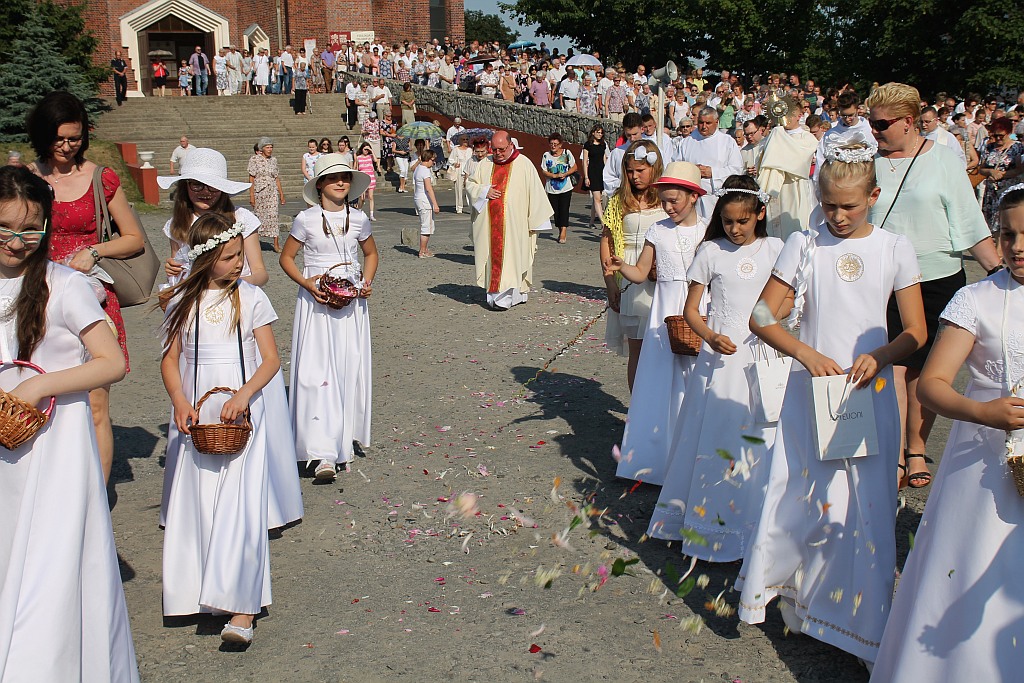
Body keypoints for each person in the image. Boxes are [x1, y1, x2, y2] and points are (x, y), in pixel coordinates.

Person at [736, 135, 927, 666]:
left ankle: (865, 623)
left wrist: (883, 355)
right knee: (804, 491)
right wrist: (805, 353)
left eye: (850, 205)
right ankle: (802, 599)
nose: (838, 216)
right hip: (812, 389)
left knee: (865, 502)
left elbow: (916, 329)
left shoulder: (894, 248)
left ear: (874, 195)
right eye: (828, 204)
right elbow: (761, 315)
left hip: (870, 391)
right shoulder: (804, 243)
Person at [871, 184, 1024, 681]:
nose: (1017, 246)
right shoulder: (976, 298)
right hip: (981, 459)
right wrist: (986, 413)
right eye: (1007, 236)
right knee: (971, 562)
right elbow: (932, 387)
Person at [0, 166, 137, 680]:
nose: (18, 241)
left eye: (30, 229)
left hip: (55, 444)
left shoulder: (65, 284)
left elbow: (111, 362)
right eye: (6, 229)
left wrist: (38, 385)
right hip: (3, 449)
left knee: (51, 567)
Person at [866, 82, 1002, 488]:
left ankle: (917, 449)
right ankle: (893, 452)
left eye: (882, 124)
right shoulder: (868, 163)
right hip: (885, 280)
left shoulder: (943, 160)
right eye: (872, 124)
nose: (874, 132)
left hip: (938, 277)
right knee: (893, 367)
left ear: (909, 122)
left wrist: (999, 271)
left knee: (924, 373)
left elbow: (968, 221)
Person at [159, 213, 282, 645]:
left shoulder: (250, 298)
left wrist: (245, 394)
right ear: (206, 258)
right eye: (230, 257)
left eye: (238, 256)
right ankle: (202, 591)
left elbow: (270, 359)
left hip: (241, 408)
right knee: (200, 500)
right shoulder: (181, 301)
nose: (239, 264)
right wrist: (178, 400)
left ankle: (244, 606)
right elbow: (169, 360)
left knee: (240, 505)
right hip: (197, 410)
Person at [646, 174, 783, 556]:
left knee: (761, 435)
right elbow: (690, 310)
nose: (735, 229)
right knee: (716, 434)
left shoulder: (776, 249)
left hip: (764, 350)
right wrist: (709, 336)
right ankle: (709, 523)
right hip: (721, 357)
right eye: (727, 221)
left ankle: (757, 525)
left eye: (742, 221)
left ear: (759, 214)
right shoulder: (711, 252)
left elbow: (791, 299)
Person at [27, 90, 145, 485]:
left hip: (91, 299)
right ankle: (44, 487)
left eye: (74, 138)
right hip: (37, 297)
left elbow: (134, 238)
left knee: (96, 402)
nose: (66, 146)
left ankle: (95, 495)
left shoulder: (100, 178)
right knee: (38, 391)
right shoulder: (27, 179)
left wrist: (93, 251)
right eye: (58, 138)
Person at [604, 162, 710, 485]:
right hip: (664, 306)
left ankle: (693, 457)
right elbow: (641, 271)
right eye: (664, 200)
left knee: (694, 380)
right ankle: (654, 459)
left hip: (697, 303)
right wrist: (623, 266)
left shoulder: (707, 231)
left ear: (693, 196)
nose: (668, 207)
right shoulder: (657, 230)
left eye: (674, 200)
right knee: (660, 379)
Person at [280, 155, 378, 481]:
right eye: (333, 177)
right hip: (316, 301)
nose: (340, 182)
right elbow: (287, 258)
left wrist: (367, 282)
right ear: (319, 184)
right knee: (315, 370)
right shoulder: (306, 220)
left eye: (345, 177)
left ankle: (341, 436)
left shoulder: (360, 219)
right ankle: (321, 452)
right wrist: (306, 283)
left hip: (351, 304)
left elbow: (371, 254)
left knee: (347, 365)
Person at [600, 141, 668, 389]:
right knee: (637, 351)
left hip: (660, 275)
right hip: (629, 274)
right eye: (630, 171)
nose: (634, 176)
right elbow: (607, 241)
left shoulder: (666, 199)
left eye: (640, 170)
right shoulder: (619, 200)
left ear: (654, 167)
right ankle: (638, 411)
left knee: (664, 346)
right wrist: (609, 282)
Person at [466, 130, 554, 310]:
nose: (498, 153)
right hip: (489, 226)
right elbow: (470, 185)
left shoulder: (524, 164)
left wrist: (535, 222)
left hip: (516, 226)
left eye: (502, 149)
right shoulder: (485, 164)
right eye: (495, 149)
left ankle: (512, 296)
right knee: (494, 259)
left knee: (514, 258)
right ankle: (495, 297)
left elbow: (536, 193)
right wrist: (484, 191)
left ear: (511, 145)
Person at [757, 95, 819, 239]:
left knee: (795, 227)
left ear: (799, 115)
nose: (787, 118)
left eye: (791, 114)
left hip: (795, 186)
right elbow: (763, 161)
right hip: (774, 188)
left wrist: (778, 145)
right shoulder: (773, 136)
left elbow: (799, 162)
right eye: (785, 113)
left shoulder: (806, 138)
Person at [675, 107, 745, 217]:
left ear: (717, 122)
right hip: (692, 199)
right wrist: (691, 170)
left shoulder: (727, 141)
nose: (704, 126)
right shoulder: (687, 142)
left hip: (716, 198)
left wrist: (712, 173)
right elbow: (677, 167)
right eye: (701, 122)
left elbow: (736, 170)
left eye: (708, 123)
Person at [978, 117, 1024, 237]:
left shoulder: (1017, 147)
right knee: (992, 226)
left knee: (1004, 222)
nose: (998, 138)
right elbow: (981, 168)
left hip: (1007, 190)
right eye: (996, 135)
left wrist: (1002, 175)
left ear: (1008, 133)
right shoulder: (989, 147)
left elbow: (1020, 169)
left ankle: (1000, 253)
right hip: (991, 192)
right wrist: (991, 172)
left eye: (1001, 136)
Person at [247, 137, 285, 252]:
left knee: (274, 216)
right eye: (267, 147)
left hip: (272, 191)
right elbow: (251, 178)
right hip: (260, 192)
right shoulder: (254, 159)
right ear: (262, 148)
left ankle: (276, 244)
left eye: (271, 147)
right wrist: (252, 195)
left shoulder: (274, 160)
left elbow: (276, 178)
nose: (270, 149)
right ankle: (255, 243)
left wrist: (281, 194)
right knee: (259, 216)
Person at [539, 133, 578, 244]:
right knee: (555, 211)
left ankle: (563, 231)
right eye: (551, 144)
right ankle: (560, 228)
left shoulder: (566, 153)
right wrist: (554, 176)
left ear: (560, 145)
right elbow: (544, 170)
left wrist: (565, 174)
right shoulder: (546, 155)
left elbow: (574, 167)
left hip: (566, 187)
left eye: (555, 144)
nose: (553, 146)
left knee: (564, 209)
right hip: (551, 188)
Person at [413, 150, 440, 257]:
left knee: (425, 224)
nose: (433, 163)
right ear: (428, 159)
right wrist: (435, 204)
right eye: (433, 160)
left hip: (418, 198)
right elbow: (429, 189)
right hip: (425, 200)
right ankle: (422, 251)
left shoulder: (418, 168)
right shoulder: (425, 171)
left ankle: (424, 249)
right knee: (426, 226)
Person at [581, 124, 607, 228]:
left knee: (598, 198)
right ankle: (603, 223)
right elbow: (584, 161)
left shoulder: (603, 144)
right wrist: (586, 176)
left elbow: (604, 159)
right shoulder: (588, 145)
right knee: (597, 198)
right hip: (592, 172)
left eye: (601, 133)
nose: (600, 134)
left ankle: (592, 220)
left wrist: (607, 173)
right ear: (593, 133)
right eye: (598, 132)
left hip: (601, 172)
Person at [448, 135, 473, 214]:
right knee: (458, 190)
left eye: (467, 139)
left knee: (470, 190)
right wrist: (454, 163)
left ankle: (471, 206)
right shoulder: (456, 149)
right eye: (463, 139)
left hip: (468, 171)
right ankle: (459, 207)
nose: (465, 141)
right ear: (460, 141)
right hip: (459, 170)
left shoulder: (470, 150)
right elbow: (450, 159)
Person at [355, 141, 379, 221]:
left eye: (367, 150)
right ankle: (359, 210)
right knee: (362, 198)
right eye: (365, 149)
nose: (366, 151)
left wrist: (371, 151)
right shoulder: (358, 157)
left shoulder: (370, 156)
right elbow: (356, 168)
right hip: (363, 178)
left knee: (371, 197)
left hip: (371, 178)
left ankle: (371, 214)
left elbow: (376, 160)